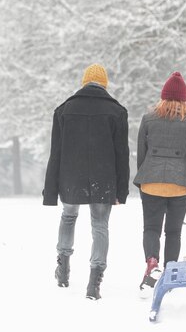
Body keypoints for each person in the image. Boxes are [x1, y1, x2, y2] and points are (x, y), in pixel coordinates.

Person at [42, 63, 130, 300]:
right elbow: (122, 154)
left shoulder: (64, 110)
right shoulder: (117, 112)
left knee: (68, 217)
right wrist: (122, 191)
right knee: (100, 226)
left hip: (70, 176)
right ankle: (94, 281)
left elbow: (56, 153)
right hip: (104, 177)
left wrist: (50, 192)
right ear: (104, 84)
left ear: (84, 82)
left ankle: (63, 267)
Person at [133, 71, 186, 292]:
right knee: (173, 232)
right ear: (184, 98)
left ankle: (152, 262)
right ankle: (170, 273)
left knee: (151, 228)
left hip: (151, 182)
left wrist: (144, 178)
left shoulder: (148, 119)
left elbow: (141, 152)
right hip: (180, 185)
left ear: (163, 97)